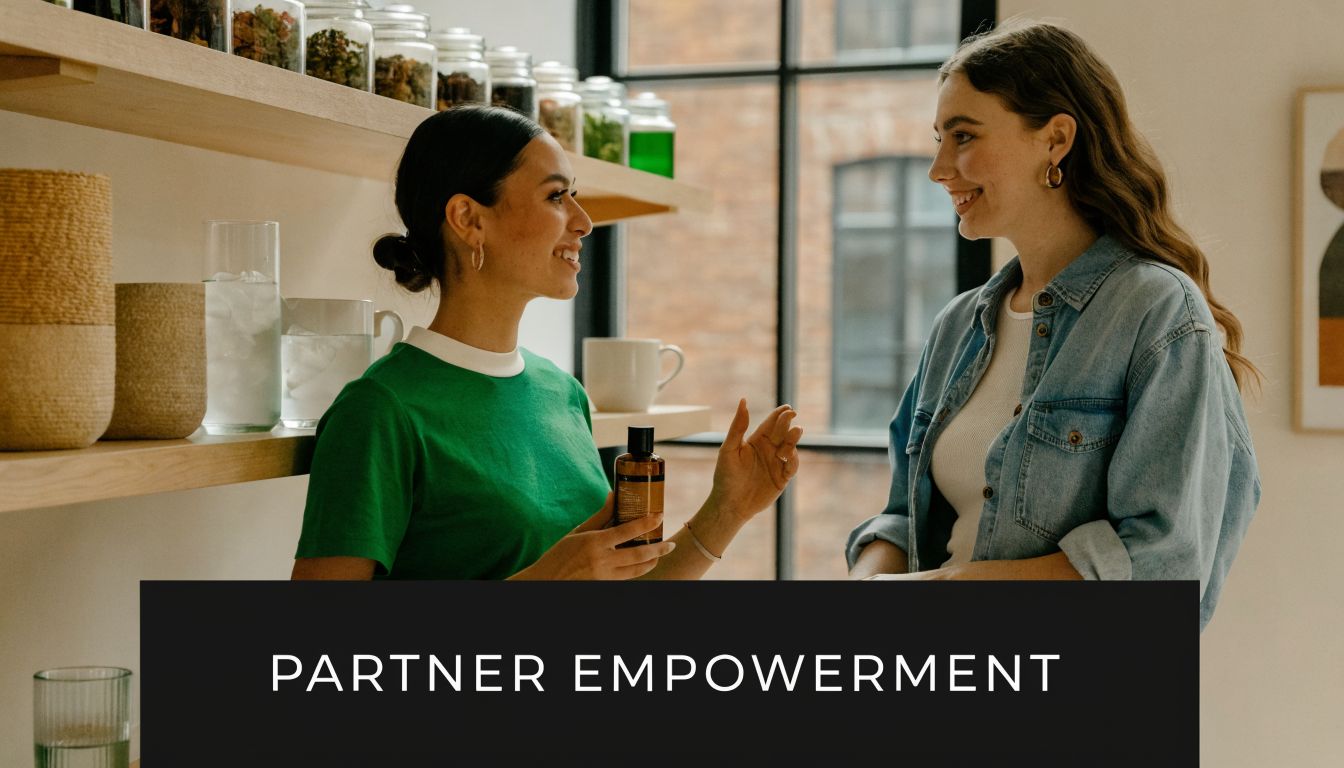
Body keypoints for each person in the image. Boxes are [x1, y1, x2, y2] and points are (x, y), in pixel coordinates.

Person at [845, 20, 1260, 630]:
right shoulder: (958, 326)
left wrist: (947, 586)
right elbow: (906, 518)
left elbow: (1164, 565)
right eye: (939, 139)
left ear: (1056, 140)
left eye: (963, 136)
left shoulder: (1156, 311)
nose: (938, 168)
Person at [292, 105, 802, 581]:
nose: (584, 221)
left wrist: (728, 510)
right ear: (469, 219)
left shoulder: (563, 393)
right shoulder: (379, 411)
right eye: (556, 196)